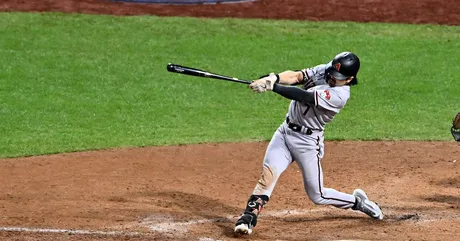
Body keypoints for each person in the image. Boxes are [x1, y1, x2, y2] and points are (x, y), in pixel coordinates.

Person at [234, 52, 383, 235]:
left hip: (307, 142)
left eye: (337, 78)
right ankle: (248, 218)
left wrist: (273, 87)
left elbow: (304, 96)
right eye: (331, 73)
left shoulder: (340, 95)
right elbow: (297, 76)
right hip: (284, 132)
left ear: (349, 79)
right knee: (268, 175)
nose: (331, 78)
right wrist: (274, 77)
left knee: (317, 195)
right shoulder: (326, 70)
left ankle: (357, 202)